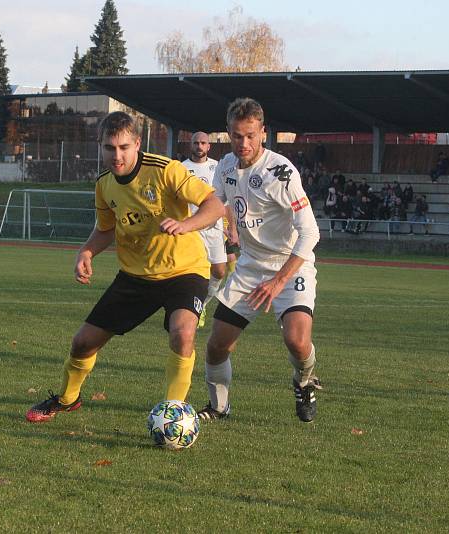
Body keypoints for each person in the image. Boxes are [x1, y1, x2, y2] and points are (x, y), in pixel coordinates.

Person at [25, 111, 224, 423]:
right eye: (109, 148)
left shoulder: (165, 170)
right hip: (135, 276)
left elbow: (214, 205)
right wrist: (86, 252)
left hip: (184, 271)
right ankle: (66, 399)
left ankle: (173, 414)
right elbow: (106, 228)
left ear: (137, 144)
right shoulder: (104, 185)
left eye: (123, 147)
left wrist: (187, 224)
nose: (116, 155)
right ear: (100, 146)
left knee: (183, 334)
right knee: (82, 343)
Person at [197, 98, 321, 423]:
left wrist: (278, 281)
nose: (244, 143)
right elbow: (216, 205)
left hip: (290, 265)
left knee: (296, 341)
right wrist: (224, 226)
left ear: (263, 132)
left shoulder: (280, 173)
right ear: (228, 133)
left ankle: (304, 380)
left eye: (251, 135)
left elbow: (310, 234)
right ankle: (218, 407)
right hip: (251, 267)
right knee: (216, 345)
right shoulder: (224, 167)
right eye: (237, 136)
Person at [182, 132, 227, 328]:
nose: (199, 146)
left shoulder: (217, 167)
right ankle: (190, 309)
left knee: (219, 271)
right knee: (195, 272)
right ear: (190, 145)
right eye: (196, 143)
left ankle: (202, 305)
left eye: (203, 143)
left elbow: (226, 200)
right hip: (192, 228)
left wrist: (231, 228)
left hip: (214, 228)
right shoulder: (181, 168)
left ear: (209, 146)